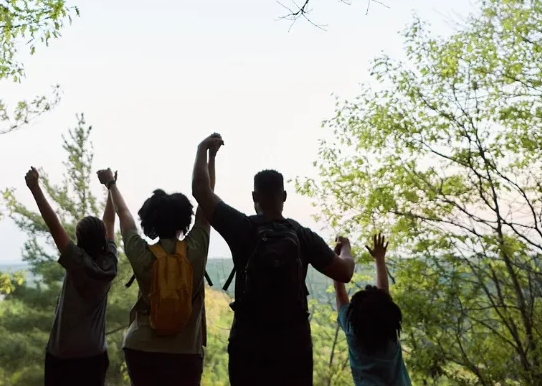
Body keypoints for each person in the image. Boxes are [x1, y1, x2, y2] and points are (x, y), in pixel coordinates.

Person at [191, 133, 355, 386]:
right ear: (284, 196)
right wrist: (346, 247)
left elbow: (201, 191)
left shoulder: (242, 227)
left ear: (254, 197)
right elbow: (345, 272)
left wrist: (204, 149)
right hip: (293, 345)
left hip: (249, 343)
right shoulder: (302, 235)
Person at [101, 148, 217, 386]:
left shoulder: (141, 253)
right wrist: (208, 155)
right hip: (185, 351)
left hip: (140, 348)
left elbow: (123, 215)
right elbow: (206, 198)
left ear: (149, 221)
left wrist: (111, 184)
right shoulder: (195, 248)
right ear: (185, 220)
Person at [24, 166, 118, 386]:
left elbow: (53, 224)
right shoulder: (110, 264)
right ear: (104, 238)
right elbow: (111, 223)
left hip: (63, 353)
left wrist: (35, 188)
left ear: (78, 239)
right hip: (94, 353)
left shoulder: (76, 262)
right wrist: (111, 185)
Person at [335, 233, 411, 386]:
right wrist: (380, 258)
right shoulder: (389, 335)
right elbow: (383, 293)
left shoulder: (353, 331)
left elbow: (340, 291)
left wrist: (337, 259)